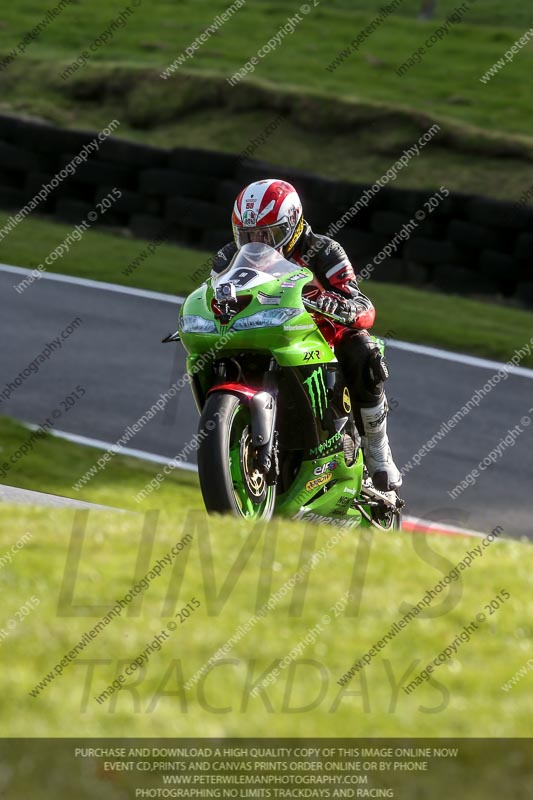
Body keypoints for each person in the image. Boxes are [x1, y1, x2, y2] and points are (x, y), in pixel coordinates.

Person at [210, 178, 402, 492]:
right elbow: (215, 295)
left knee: (363, 350)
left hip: (316, 337)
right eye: (249, 236)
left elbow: (362, 304)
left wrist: (340, 307)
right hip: (262, 329)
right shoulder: (228, 256)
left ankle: (378, 449)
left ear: (293, 226)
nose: (258, 244)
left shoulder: (324, 250)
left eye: (267, 235)